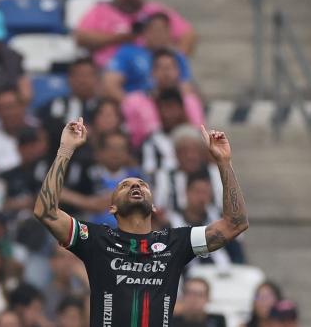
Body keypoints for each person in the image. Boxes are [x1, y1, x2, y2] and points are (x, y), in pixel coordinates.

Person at [33, 118, 249, 326]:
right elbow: (46, 212)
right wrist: (65, 150)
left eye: (143, 185)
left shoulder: (175, 242)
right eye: (125, 185)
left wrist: (223, 162)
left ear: (154, 207)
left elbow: (234, 224)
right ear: (112, 208)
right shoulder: (96, 239)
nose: (135, 186)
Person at [75, 0, 197, 67]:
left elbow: (189, 35)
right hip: (107, 72)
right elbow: (81, 37)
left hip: (150, 74)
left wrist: (173, 63)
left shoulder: (155, 11)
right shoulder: (100, 10)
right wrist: (121, 37)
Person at [122, 49, 205, 146]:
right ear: (152, 72)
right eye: (160, 68)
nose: (166, 73)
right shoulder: (134, 101)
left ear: (178, 71)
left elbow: (197, 133)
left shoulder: (190, 101)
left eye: (170, 67)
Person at [104, 13, 193, 101]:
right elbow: (110, 84)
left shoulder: (176, 56)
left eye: (163, 29)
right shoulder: (127, 53)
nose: (158, 34)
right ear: (145, 32)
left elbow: (186, 87)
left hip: (168, 107)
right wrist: (131, 106)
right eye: (154, 29)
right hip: (135, 105)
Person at [167, 173, 243, 266]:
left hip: (220, 273)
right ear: (186, 192)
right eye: (197, 192)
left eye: (205, 193)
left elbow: (236, 253)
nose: (201, 198)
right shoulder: (172, 222)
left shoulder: (218, 219)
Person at [38, 58, 100, 155]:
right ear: (69, 79)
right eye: (79, 75)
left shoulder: (105, 106)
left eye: (88, 75)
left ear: (97, 79)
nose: (83, 80)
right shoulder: (55, 105)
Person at [0, 89, 38, 173]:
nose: (8, 113)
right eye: (2, 109)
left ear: (22, 106)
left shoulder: (40, 130)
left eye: (11, 107)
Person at [141, 89, 192, 175]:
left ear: (181, 109)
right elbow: (149, 171)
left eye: (171, 107)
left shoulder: (194, 138)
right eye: (162, 108)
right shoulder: (151, 141)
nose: (167, 114)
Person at [42, 246, 89, 320]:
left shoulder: (81, 294)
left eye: (72, 258)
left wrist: (86, 281)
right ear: (52, 262)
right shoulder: (43, 295)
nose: (68, 263)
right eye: (62, 257)